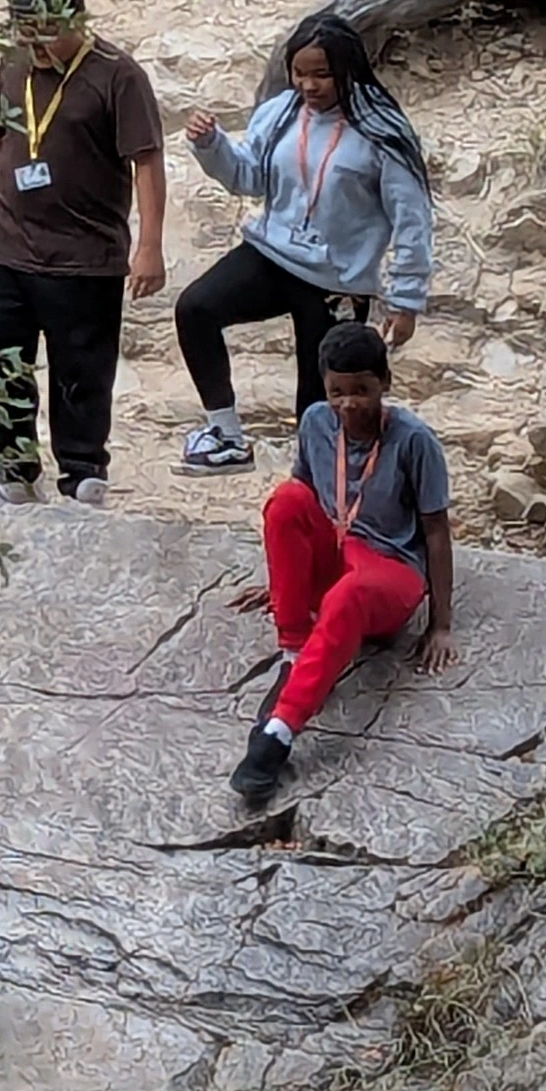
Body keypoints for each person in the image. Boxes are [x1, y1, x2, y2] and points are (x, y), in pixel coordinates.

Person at [174, 7, 433, 472]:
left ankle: (321, 488)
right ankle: (225, 435)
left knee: (319, 400)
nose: (309, 86)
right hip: (273, 255)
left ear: (347, 70)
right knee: (196, 308)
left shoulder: (383, 131)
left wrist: (406, 298)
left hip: (339, 279)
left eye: (322, 75)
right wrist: (213, 146)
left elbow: (411, 217)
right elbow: (250, 177)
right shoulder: (279, 114)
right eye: (300, 73)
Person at [0, 0, 165, 506]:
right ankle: (11, 467)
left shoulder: (120, 75)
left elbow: (147, 163)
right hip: (7, 245)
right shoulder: (13, 65)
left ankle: (83, 469)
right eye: (24, 28)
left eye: (46, 28)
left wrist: (150, 245)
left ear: (77, 20)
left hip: (85, 255)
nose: (35, 40)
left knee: (81, 369)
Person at [227, 324, 461, 804]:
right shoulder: (315, 420)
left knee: (348, 596)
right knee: (284, 501)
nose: (349, 403)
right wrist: (279, 582)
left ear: (384, 384)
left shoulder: (415, 440)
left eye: (361, 391)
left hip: (389, 569)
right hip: (338, 547)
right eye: (337, 392)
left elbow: (436, 531)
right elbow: (302, 502)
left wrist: (440, 624)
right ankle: (294, 648)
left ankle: (280, 730)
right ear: (324, 388)